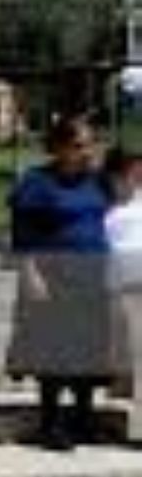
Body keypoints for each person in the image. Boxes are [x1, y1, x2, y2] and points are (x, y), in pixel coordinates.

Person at [6, 115, 113, 451]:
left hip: (93, 276)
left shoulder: (97, 182)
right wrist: (30, 275)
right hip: (53, 277)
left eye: (90, 144)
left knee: (89, 349)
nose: (87, 151)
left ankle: (84, 417)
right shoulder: (37, 184)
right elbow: (22, 237)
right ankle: (51, 423)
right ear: (60, 148)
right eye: (79, 145)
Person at [106, 148, 142, 441]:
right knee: (130, 355)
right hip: (121, 287)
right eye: (131, 172)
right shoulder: (104, 209)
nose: (137, 177)